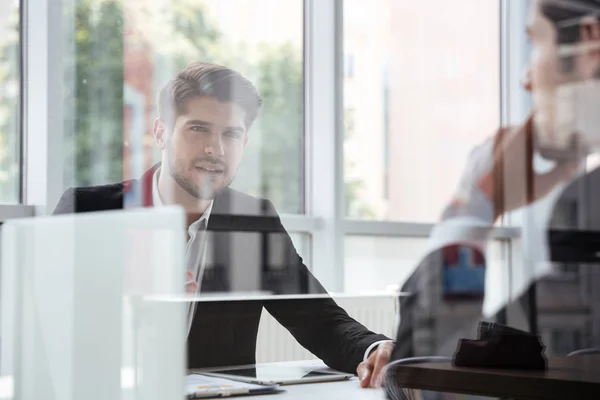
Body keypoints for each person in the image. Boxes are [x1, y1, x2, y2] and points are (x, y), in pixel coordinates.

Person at [53, 61, 394, 387]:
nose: (215, 149)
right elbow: (39, 329)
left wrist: (375, 349)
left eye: (231, 134)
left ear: (244, 143)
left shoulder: (251, 221)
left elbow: (321, 322)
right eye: (198, 128)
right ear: (160, 132)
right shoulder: (87, 211)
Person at [389, 0, 600, 381]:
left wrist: (474, 206)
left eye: (536, 41)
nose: (526, 79)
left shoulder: (588, 207)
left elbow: (433, 378)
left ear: (589, 41)